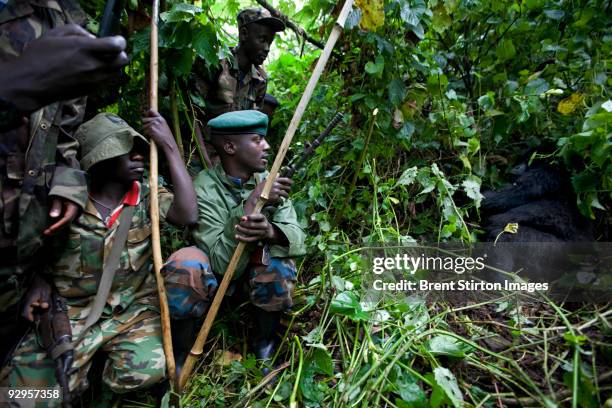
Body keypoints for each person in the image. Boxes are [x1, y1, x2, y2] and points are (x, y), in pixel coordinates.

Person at [1, 111, 201, 402]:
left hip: (132, 310)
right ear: (99, 158)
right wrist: (38, 282)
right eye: (126, 152)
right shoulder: (65, 202)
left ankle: (101, 380)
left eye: (140, 151)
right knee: (25, 396)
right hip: (71, 313)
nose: (139, 158)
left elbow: (187, 213)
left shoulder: (146, 195)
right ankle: (78, 379)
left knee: (148, 371)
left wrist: (168, 144)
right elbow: (32, 252)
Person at [0, 0, 128, 364]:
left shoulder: (65, 16)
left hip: (21, 246)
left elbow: (65, 125)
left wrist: (68, 179)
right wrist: (15, 87)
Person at [191, 110, 306, 372]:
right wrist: (251, 203)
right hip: (219, 284)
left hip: (257, 277)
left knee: (277, 265)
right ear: (230, 146)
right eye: (256, 140)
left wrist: (270, 232)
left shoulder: (268, 181)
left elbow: (299, 239)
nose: (266, 146)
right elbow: (219, 263)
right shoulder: (204, 187)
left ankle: (264, 342)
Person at [190, 8, 285, 122]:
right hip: (203, 138)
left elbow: (251, 124)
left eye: (270, 42)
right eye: (262, 39)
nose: (267, 48)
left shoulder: (260, 80)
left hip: (236, 139)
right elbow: (192, 112)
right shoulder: (214, 63)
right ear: (244, 34)